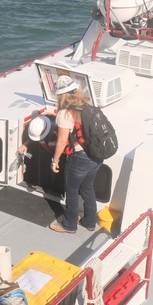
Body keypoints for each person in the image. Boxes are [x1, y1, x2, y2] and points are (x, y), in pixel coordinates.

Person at [49, 76, 100, 233]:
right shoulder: (88, 105)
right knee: (88, 189)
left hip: (79, 158)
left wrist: (55, 160)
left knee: (71, 190)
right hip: (96, 155)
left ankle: (69, 225)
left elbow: (62, 141)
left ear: (62, 95)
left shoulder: (65, 114)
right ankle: (90, 222)